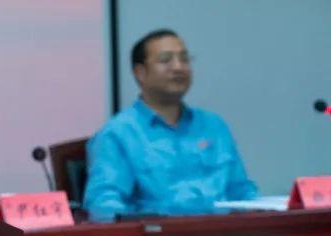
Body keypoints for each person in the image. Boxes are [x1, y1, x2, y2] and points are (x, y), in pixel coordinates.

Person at [83, 29, 258, 221]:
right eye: (166, 60)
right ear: (140, 73)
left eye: (184, 59)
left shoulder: (213, 126)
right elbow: (104, 207)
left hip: (223, 234)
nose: (178, 67)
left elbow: (241, 192)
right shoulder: (118, 134)